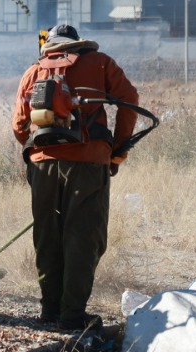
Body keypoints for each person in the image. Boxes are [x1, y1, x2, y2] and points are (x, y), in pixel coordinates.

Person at [12, 23, 140, 332]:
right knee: (83, 236)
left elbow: (19, 126)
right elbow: (130, 100)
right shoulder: (100, 63)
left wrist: (42, 151)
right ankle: (72, 316)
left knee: (47, 236)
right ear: (77, 42)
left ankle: (50, 310)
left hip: (42, 164)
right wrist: (118, 149)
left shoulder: (33, 71)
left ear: (51, 45)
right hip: (88, 162)